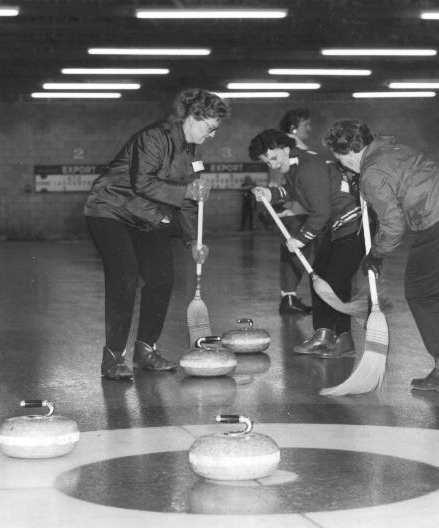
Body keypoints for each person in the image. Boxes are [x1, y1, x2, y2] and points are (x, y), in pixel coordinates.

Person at [323, 119, 439, 391]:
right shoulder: (394, 149)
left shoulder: (371, 173)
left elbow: (393, 225)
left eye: (340, 159)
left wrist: (376, 254)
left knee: (421, 293)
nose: (342, 165)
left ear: (351, 150)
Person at [84, 88, 230, 381]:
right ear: (193, 116)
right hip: (110, 209)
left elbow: (191, 200)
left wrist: (193, 241)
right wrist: (188, 189)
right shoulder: (153, 138)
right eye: (210, 128)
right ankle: (113, 357)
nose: (213, 134)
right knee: (125, 274)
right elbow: (143, 183)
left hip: (148, 217)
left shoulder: (193, 153)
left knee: (162, 278)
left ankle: (146, 350)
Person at [249, 129, 365, 358]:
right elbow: (292, 191)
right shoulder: (295, 167)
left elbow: (320, 213)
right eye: (267, 162)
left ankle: (344, 340)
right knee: (319, 277)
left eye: (274, 158)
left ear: (285, 148)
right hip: (335, 229)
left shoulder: (307, 167)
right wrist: (269, 194)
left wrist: (299, 240)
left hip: (353, 227)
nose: (272, 165)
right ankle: (323, 334)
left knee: (336, 282)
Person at [274, 108, 313, 314]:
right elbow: (296, 179)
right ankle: (288, 298)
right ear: (293, 127)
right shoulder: (292, 144)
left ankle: (288, 296)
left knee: (292, 253)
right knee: (296, 253)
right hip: (294, 209)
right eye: (306, 124)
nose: (309, 128)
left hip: (289, 207)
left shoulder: (282, 143)